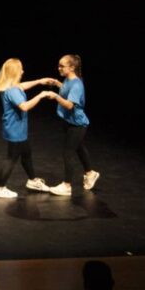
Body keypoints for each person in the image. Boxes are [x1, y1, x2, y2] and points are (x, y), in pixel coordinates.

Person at [0, 58, 56, 198]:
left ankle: (32, 180)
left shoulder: (10, 86)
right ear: (15, 72)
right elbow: (24, 107)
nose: (22, 71)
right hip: (15, 129)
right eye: (20, 69)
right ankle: (0, 188)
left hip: (16, 127)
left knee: (26, 154)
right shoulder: (12, 90)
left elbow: (22, 86)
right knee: (11, 158)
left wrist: (39, 81)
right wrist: (41, 95)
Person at [47, 54, 99, 196]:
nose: (59, 68)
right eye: (59, 65)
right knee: (79, 147)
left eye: (62, 66)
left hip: (77, 124)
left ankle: (67, 186)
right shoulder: (68, 80)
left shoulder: (77, 84)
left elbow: (69, 105)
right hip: (69, 121)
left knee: (68, 152)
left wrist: (55, 96)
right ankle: (90, 173)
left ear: (71, 67)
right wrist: (57, 84)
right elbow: (66, 88)